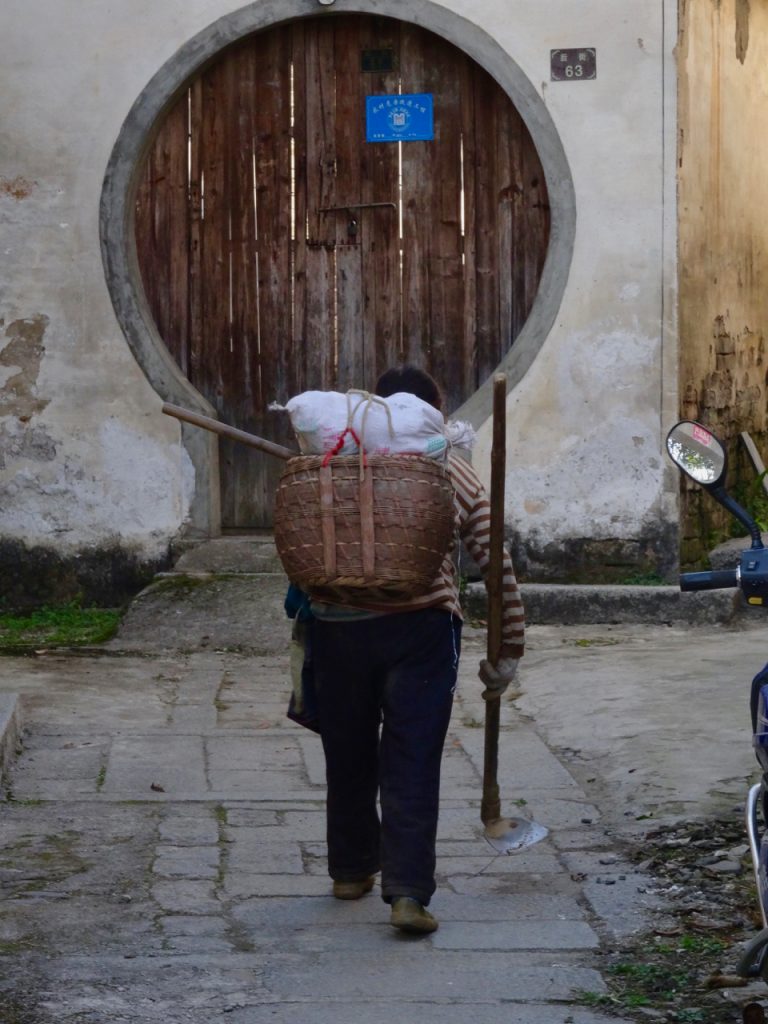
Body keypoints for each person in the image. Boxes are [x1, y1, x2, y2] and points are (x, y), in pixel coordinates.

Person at [308, 365, 525, 934]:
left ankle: (351, 872)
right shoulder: (449, 466)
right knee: (411, 757)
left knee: (348, 751)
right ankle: (407, 894)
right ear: (436, 409)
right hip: (421, 630)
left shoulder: (337, 458)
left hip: (335, 626)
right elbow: (494, 559)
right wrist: (508, 650)